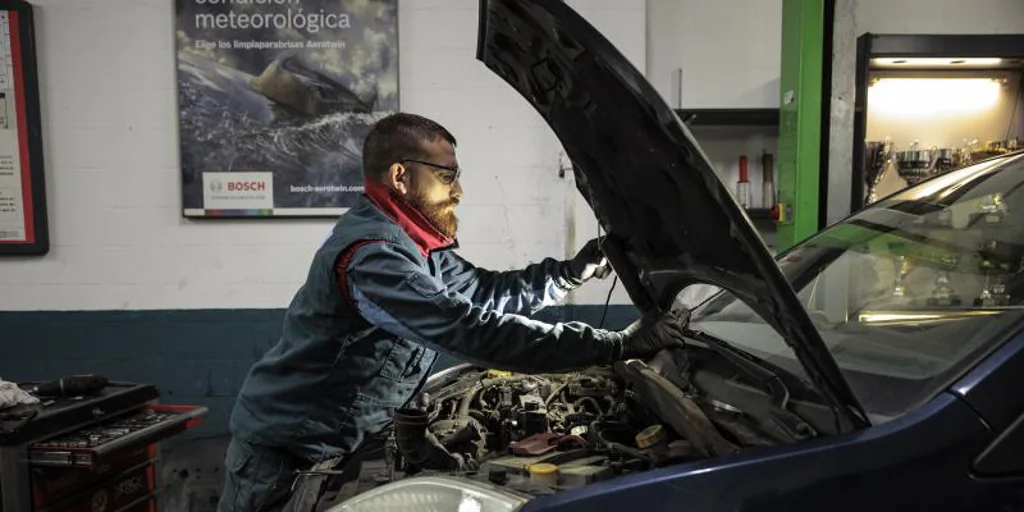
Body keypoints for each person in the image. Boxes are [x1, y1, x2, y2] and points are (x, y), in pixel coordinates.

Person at [217, 112, 689, 512]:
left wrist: (571, 272)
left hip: (341, 442)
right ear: (401, 176)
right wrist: (616, 344)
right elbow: (470, 329)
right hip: (287, 459)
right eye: (447, 176)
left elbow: (485, 293)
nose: (458, 191)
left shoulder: (417, 247)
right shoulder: (373, 256)